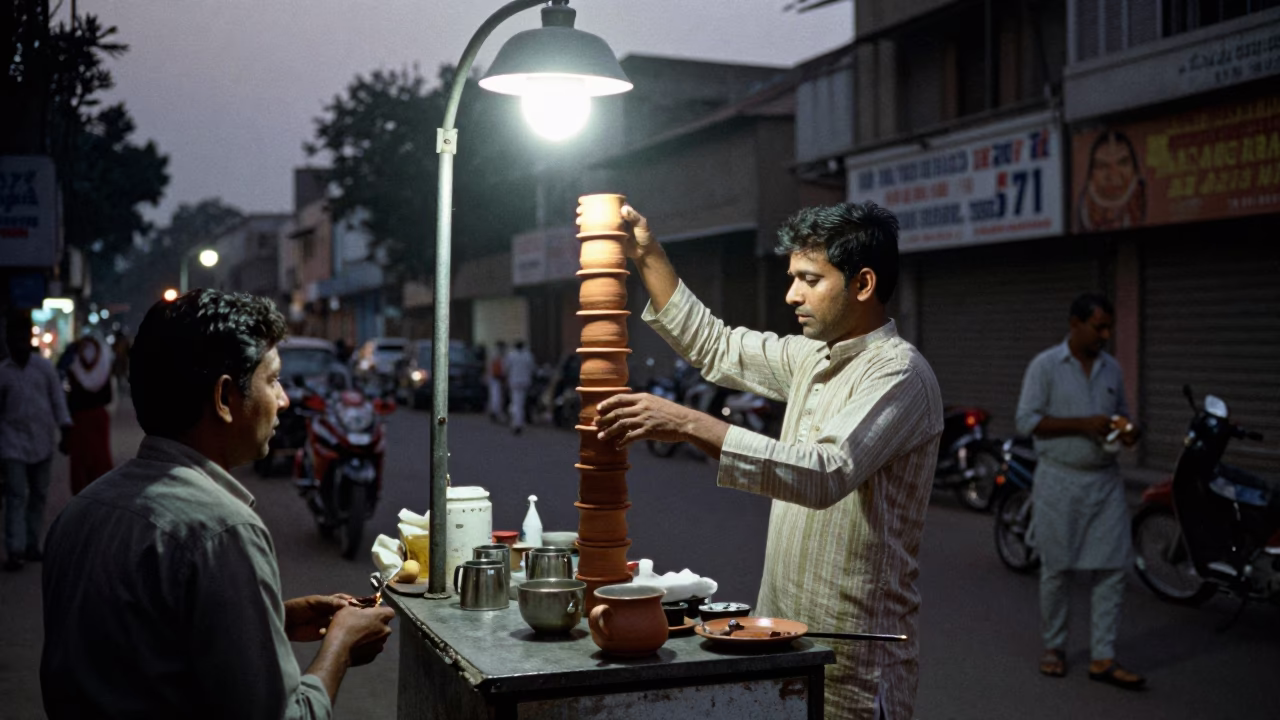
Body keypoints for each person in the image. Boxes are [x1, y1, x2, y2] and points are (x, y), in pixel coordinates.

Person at [594, 202, 943, 720]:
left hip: (854, 662)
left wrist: (689, 424)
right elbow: (714, 345)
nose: (792, 295)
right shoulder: (813, 357)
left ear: (863, 284)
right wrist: (647, 254)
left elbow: (824, 473)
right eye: (792, 278)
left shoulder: (898, 374)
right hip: (782, 639)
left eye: (809, 279)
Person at [40, 290, 395, 718]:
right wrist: (340, 646)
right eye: (272, 380)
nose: (283, 400)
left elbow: (136, 645)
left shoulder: (80, 512)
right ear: (225, 398)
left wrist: (271, 620)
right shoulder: (222, 529)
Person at [1015, 293, 1144, 690]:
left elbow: (1123, 414)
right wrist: (1082, 424)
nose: (1105, 335)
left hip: (1104, 481)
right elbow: (1026, 421)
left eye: (1108, 328)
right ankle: (1054, 647)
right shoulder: (1046, 366)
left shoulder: (1111, 369)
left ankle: (1103, 657)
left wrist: (1128, 430)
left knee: (1112, 567)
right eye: (1098, 327)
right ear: (1075, 324)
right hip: (1059, 479)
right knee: (1057, 568)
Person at [0, 311, 73, 572]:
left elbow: (57, 400)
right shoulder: (3, 373)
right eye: (13, 338)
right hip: (11, 444)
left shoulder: (44, 368)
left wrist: (66, 429)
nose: (18, 343)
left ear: (28, 338)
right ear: (8, 340)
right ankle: (15, 549)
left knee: (39, 495)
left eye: (22, 337)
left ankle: (32, 544)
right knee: (16, 496)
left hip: (42, 441)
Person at [63, 334, 115, 494]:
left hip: (79, 420)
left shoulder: (74, 362)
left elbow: (69, 397)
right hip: (98, 418)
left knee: (80, 464)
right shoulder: (104, 363)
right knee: (100, 461)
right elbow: (108, 397)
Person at [1076, 130, 1146, 232]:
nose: (1114, 176)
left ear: (1134, 169)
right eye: (1102, 166)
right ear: (1090, 175)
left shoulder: (1141, 202)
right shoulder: (1084, 208)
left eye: (1123, 163)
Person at [504, 340, 537, 435]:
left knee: (516, 402)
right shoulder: (528, 355)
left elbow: (506, 368)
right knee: (520, 403)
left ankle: (516, 423)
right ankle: (518, 422)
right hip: (525, 382)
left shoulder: (511, 355)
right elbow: (533, 368)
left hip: (514, 382)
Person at [487, 340, 507, 423]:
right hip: (496, 378)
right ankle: (495, 413)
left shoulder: (501, 355)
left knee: (497, 397)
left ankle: (495, 412)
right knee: (496, 397)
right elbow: (495, 369)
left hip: (498, 379)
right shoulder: (495, 355)